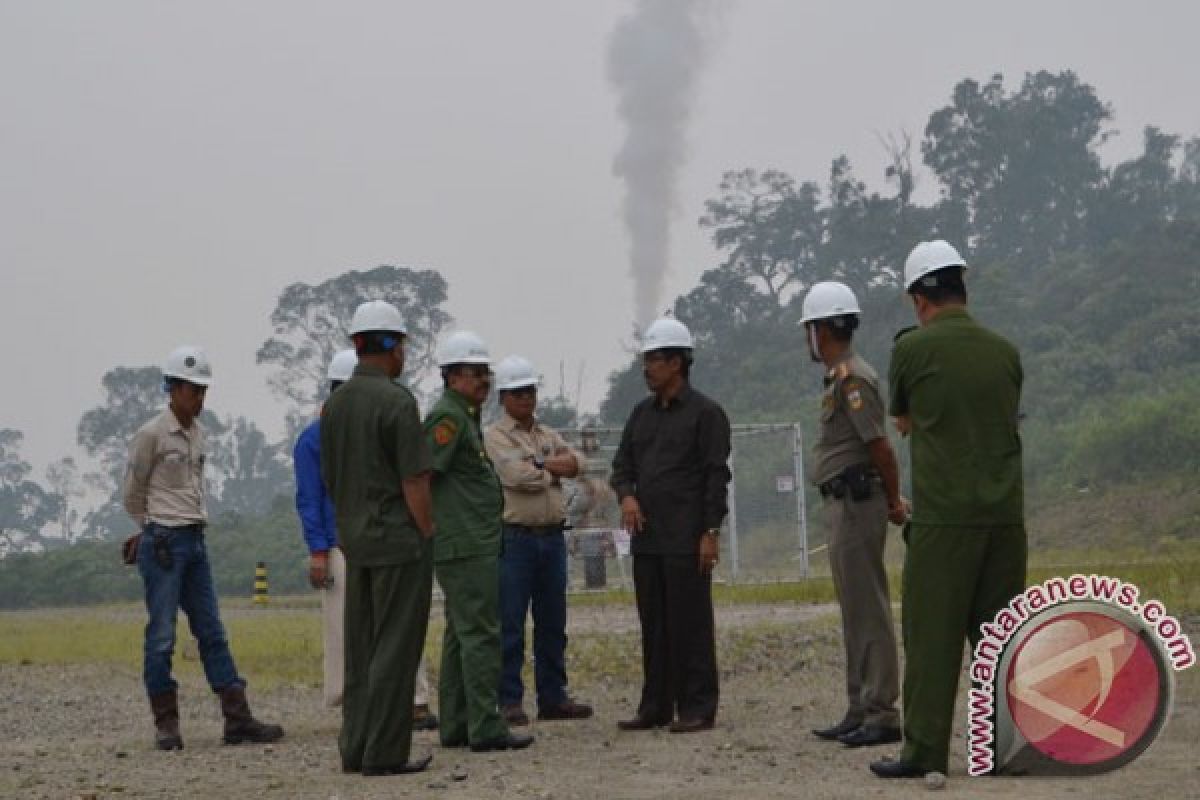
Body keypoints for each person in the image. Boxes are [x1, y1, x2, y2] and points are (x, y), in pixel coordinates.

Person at [870, 241, 1027, 779]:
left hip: (944, 520)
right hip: (1006, 520)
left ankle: (925, 754)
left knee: (932, 640)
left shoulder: (912, 351)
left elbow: (905, 421)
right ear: (963, 288)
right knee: (1000, 639)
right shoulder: (1006, 352)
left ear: (919, 299)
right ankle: (1003, 750)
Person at [124, 345, 283, 751]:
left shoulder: (200, 435)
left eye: (203, 390)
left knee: (212, 630)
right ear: (173, 389)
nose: (200, 398)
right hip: (164, 542)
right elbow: (133, 493)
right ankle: (166, 724)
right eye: (193, 390)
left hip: (195, 540)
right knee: (161, 635)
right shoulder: (151, 435)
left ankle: (237, 719)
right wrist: (150, 529)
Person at [293, 348, 438, 729]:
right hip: (346, 544)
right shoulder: (312, 440)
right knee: (352, 633)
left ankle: (413, 700)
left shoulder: (368, 425)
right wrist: (319, 550)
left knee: (396, 626)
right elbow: (310, 497)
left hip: (360, 538)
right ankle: (356, 707)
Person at [320, 300, 436, 776]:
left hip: (355, 541)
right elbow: (414, 480)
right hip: (397, 542)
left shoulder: (335, 406)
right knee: (396, 646)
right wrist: (427, 530)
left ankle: (356, 747)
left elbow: (332, 476)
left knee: (361, 649)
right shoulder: (397, 401)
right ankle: (386, 753)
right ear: (391, 346)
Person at [610, 316, 731, 734]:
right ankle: (656, 705)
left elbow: (716, 476)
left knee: (691, 624)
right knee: (655, 625)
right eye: (646, 360)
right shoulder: (640, 416)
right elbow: (621, 466)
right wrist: (626, 495)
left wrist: (710, 532)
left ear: (678, 362)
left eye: (655, 360)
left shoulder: (706, 414)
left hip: (687, 538)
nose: (648, 368)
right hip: (648, 541)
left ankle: (697, 706)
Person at [800, 282, 905, 749]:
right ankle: (860, 705)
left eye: (811, 329)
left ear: (823, 329)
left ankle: (881, 711)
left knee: (869, 609)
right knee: (854, 610)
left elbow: (879, 446)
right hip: (843, 503)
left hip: (859, 502)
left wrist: (895, 499)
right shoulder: (838, 376)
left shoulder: (852, 379)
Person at [425, 332, 534, 752]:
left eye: (486, 372)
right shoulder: (448, 419)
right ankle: (486, 726)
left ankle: (457, 724)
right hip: (465, 542)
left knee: (461, 633)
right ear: (452, 376)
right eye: (475, 372)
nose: (484, 380)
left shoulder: (464, 416)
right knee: (482, 633)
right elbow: (425, 474)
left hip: (471, 539)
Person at [483, 355, 593, 727]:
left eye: (529, 391)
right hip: (516, 539)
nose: (526, 398)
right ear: (504, 397)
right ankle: (509, 700)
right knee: (510, 622)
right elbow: (516, 476)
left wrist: (541, 464)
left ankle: (553, 696)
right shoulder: (496, 436)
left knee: (552, 621)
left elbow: (579, 463)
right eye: (517, 392)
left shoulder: (546, 434)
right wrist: (549, 467)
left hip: (551, 537)